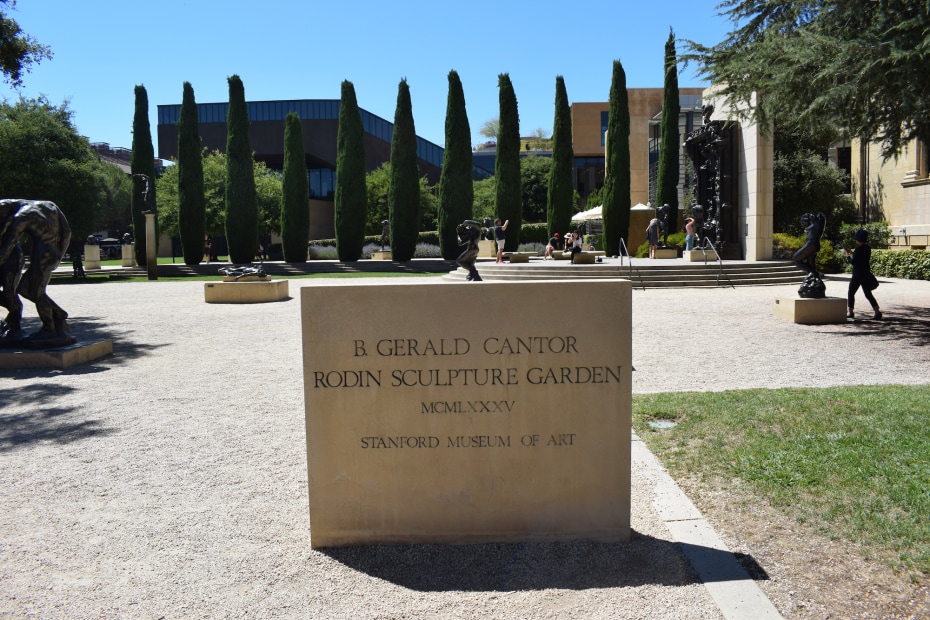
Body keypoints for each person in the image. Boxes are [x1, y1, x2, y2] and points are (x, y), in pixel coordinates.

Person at [0, 199, 74, 346]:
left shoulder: (19, 217)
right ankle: (58, 313)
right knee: (23, 289)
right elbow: (67, 232)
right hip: (53, 252)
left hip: (41, 254)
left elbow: (8, 247)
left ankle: (49, 329)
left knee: (36, 292)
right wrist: (59, 254)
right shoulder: (50, 205)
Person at [844, 229, 881, 320]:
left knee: (851, 292)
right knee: (868, 293)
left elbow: (854, 262)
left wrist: (847, 256)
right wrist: (852, 253)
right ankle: (877, 311)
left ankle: (850, 311)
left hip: (857, 274)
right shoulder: (867, 248)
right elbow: (861, 258)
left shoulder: (858, 249)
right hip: (865, 273)